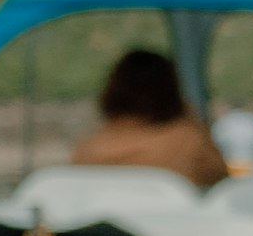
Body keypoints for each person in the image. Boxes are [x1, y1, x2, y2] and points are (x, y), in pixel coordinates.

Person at [65, 47, 227, 187]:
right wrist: (191, 118)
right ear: (172, 91)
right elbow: (221, 179)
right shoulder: (189, 141)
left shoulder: (88, 149)